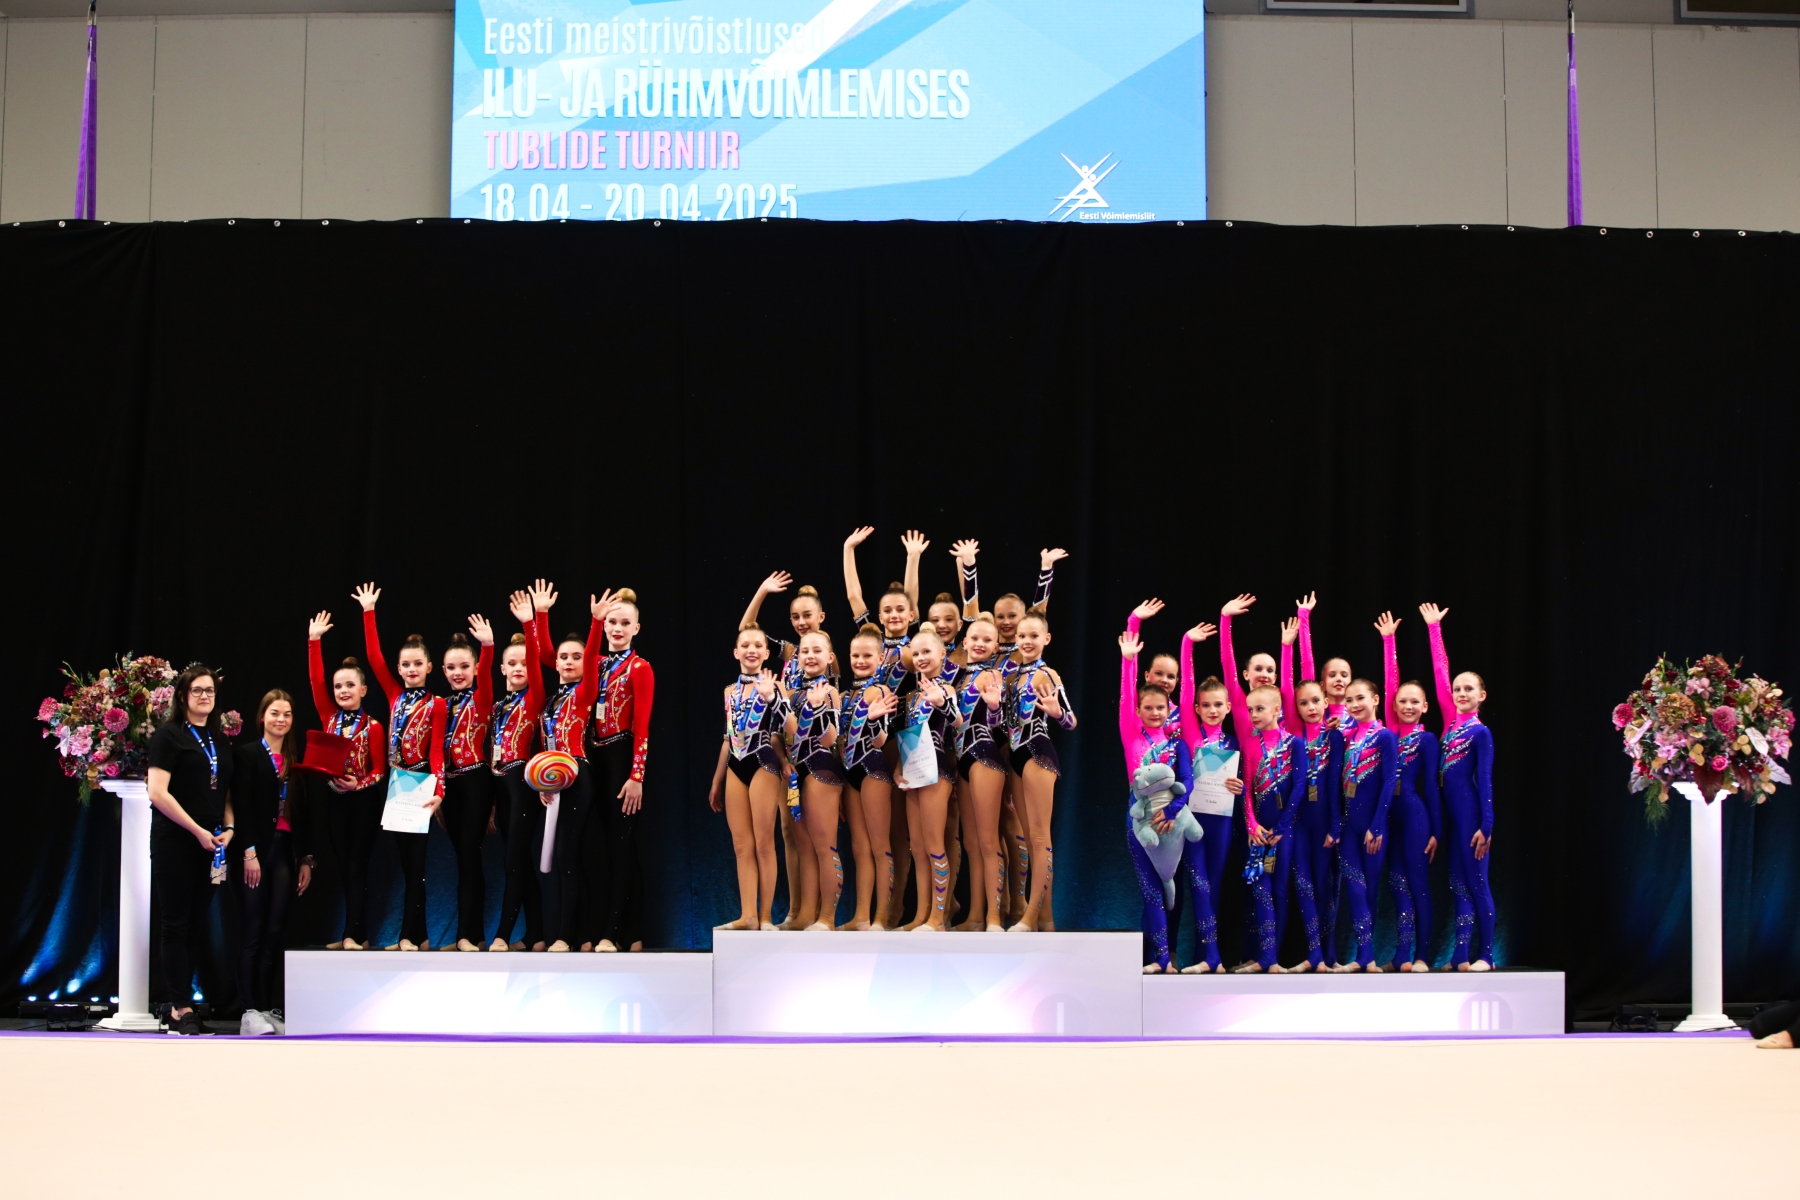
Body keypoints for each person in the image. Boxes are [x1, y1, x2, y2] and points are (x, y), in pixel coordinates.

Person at [954, 540, 1064, 925]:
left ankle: (1027, 906)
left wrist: (1045, 570)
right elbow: (971, 615)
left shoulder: (1021, 653)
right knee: (990, 832)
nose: (1004, 622)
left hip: (1018, 746)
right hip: (992, 743)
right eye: (999, 616)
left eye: (1011, 617)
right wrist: (969, 567)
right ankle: (997, 909)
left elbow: (1039, 612)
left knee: (1021, 830)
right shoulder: (987, 649)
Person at [355, 582, 447, 951]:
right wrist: (369, 612)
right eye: (405, 665)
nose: (411, 669)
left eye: (417, 664)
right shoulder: (394, 694)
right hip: (396, 783)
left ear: (429, 667)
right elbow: (373, 657)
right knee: (406, 866)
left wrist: (439, 791)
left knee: (417, 865)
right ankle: (418, 935)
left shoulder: (437, 704)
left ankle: (409, 934)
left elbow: (437, 751)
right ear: (399, 668)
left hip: (421, 783)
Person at [147, 664, 236, 1034]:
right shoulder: (168, 736)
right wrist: (197, 830)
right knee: (175, 923)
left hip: (211, 843)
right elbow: (157, 792)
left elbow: (225, 792)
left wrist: (229, 827)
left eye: (210, 690)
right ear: (183, 696)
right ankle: (180, 1007)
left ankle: (183, 1002)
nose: (204, 696)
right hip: (176, 840)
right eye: (197, 690)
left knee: (196, 925)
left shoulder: (219, 740)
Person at [739, 571, 828, 929]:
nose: (801, 622)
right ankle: (795, 909)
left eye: (807, 615)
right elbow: (747, 629)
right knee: (790, 829)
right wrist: (762, 590)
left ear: (821, 617)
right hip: (785, 760)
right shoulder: (791, 652)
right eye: (795, 617)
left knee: (815, 836)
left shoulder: (826, 657)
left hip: (816, 760)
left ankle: (819, 912)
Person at [528, 580, 612, 952]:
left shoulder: (584, 692)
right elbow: (538, 656)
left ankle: (568, 935)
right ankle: (579, 935)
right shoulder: (550, 700)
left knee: (566, 855)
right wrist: (543, 782)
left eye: (575, 657)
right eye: (562, 657)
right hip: (554, 781)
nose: (567, 662)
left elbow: (591, 658)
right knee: (568, 858)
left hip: (578, 775)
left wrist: (596, 623)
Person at [1422, 602, 1497, 971]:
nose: (1461, 693)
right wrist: (1433, 630)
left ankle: (1487, 955)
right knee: (1457, 883)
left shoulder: (1480, 732)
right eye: (1457, 689)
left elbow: (1484, 779)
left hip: (1470, 816)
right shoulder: (1451, 724)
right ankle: (1459, 955)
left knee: (1477, 881)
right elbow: (1440, 673)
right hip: (1450, 818)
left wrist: (1487, 825)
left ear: (1482, 695)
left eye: (1469, 689)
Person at [307, 611, 386, 950]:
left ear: (363, 690)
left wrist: (359, 785)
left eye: (350, 685)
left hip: (363, 803)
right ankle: (357, 934)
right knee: (343, 867)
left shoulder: (374, 726)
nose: (342, 690)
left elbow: (380, 771)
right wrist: (314, 641)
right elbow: (315, 682)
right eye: (338, 686)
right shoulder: (329, 717)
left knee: (357, 866)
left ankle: (352, 934)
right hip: (335, 802)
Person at [229, 689, 307, 1035]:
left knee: (275, 932)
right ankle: (248, 1010)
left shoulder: (294, 759)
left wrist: (306, 859)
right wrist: (249, 852)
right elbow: (241, 806)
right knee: (253, 931)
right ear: (262, 717)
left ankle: (265, 1007)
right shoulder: (247, 755)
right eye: (275, 713)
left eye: (287, 714)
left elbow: (303, 811)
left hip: (284, 850)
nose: (281, 720)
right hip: (254, 852)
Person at [1118, 630, 1197, 973]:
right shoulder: (1131, 734)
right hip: (1139, 821)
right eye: (1147, 708)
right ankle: (1159, 959)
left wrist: (1174, 810)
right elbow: (1126, 695)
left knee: (1170, 889)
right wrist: (1128, 660)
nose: (1154, 712)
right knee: (1150, 890)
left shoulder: (1177, 744)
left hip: (1172, 823)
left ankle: (1165, 955)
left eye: (1160, 708)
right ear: (1138, 710)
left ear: (1170, 709)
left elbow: (1187, 782)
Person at [584, 589, 655, 952]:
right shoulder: (595, 663)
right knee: (605, 849)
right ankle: (628, 931)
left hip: (622, 758)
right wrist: (593, 621)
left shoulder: (639, 668)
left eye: (625, 623)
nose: (617, 628)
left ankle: (615, 933)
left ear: (636, 628)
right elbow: (551, 657)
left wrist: (636, 775)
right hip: (594, 757)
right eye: (612, 622)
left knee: (622, 847)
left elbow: (642, 726)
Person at [1219, 594, 1288, 965]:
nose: (1265, 673)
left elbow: (1292, 674)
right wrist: (1225, 621)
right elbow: (1227, 664)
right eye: (1258, 668)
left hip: (1282, 816)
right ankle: (1251, 956)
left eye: (1270, 669)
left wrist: (1290, 644)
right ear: (1246, 676)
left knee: (1280, 887)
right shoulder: (1243, 707)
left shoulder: (1282, 710)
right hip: (1247, 811)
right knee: (1249, 884)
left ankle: (1271, 957)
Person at [708, 627, 787, 930]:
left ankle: (766, 916)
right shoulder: (729, 691)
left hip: (763, 761)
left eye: (757, 645)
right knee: (741, 845)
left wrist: (772, 697)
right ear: (736, 652)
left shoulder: (775, 686)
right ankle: (748, 915)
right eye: (745, 645)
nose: (751, 650)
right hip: (735, 765)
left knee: (764, 843)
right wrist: (716, 781)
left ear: (766, 653)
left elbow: (788, 728)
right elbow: (727, 738)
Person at [1228, 682, 1308, 973]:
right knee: (1260, 890)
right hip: (1260, 832)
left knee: (1280, 890)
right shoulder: (1250, 744)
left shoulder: (1294, 744)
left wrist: (1283, 826)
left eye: (1259, 709)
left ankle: (1272, 958)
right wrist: (1252, 825)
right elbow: (1247, 790)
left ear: (1277, 710)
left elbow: (1299, 786)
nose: (1253, 715)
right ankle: (1266, 958)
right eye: (1250, 710)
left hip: (1284, 831)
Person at [1004, 610, 1076, 933]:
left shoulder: (1047, 674)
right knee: (1029, 839)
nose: (1027, 641)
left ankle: (1031, 916)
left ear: (1046, 639)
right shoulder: (1011, 677)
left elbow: (1071, 721)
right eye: (1022, 636)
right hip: (1016, 756)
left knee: (1039, 836)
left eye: (1034, 636)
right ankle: (1046, 921)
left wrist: (1058, 713)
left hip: (1037, 751)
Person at [1379, 611, 1442, 972]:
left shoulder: (1427, 739)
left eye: (1415, 702)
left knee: (1417, 885)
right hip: (1391, 819)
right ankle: (1402, 954)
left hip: (1416, 818)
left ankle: (1423, 955)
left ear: (1425, 707)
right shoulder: (1388, 734)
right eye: (1402, 701)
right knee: (1397, 885)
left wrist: (1436, 831)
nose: (1407, 706)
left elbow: (1431, 786)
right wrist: (1388, 641)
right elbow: (1390, 684)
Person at [1176, 622, 1239, 973]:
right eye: (1206, 705)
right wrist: (1188, 644)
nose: (1212, 710)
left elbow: (1246, 781)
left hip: (1223, 823)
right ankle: (1211, 957)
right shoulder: (1190, 732)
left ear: (1228, 707)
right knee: (1198, 885)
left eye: (1218, 705)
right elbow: (1186, 687)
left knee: (1212, 887)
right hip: (1194, 820)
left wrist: (1239, 786)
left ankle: (1208, 958)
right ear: (1197, 709)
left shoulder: (1234, 742)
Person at [1278, 630, 1341, 973]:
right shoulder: (1293, 735)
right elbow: (1288, 685)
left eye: (1316, 700)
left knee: (1324, 887)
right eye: (1303, 703)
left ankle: (1328, 956)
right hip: (1298, 822)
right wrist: (1287, 646)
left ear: (1326, 701)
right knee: (1302, 886)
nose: (1311, 707)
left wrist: (1335, 826)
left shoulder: (1335, 736)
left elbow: (1334, 785)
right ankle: (1313, 955)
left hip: (1325, 823)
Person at [489, 591, 548, 952]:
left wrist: (529, 623)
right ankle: (537, 934)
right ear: (502, 669)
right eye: (511, 663)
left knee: (513, 862)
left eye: (524, 663)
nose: (518, 668)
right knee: (519, 861)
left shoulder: (534, 697)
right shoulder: (497, 706)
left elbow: (535, 670)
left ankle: (502, 933)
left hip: (523, 784)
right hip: (501, 787)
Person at [894, 629, 961, 932]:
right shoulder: (911, 696)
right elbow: (910, 736)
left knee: (934, 844)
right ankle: (920, 916)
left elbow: (957, 720)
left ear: (942, 654)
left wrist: (942, 702)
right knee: (918, 848)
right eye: (916, 653)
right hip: (914, 770)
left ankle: (938, 917)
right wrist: (899, 768)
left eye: (927, 652)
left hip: (937, 769)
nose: (921, 658)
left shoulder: (946, 688)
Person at [837, 625, 900, 929]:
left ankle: (882, 918)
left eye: (867, 656)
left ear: (881, 657)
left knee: (879, 847)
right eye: (855, 656)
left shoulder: (882, 691)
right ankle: (861, 916)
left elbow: (881, 740)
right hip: (849, 773)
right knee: (859, 848)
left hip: (873, 769)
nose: (860, 661)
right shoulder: (844, 695)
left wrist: (872, 719)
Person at [1332, 679, 1397, 972]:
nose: (1354, 704)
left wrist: (1378, 825)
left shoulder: (1384, 737)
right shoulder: (1346, 737)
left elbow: (1389, 781)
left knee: (1369, 890)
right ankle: (1365, 957)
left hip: (1373, 827)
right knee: (1355, 890)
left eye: (1360, 698)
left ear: (1375, 700)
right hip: (1349, 827)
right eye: (1349, 700)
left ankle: (1365, 957)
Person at [440, 619, 496, 952]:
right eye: (451, 668)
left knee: (469, 855)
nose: (457, 673)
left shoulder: (482, 697)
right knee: (465, 858)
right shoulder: (441, 705)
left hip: (476, 780)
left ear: (475, 668)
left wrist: (487, 646)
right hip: (450, 787)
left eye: (464, 666)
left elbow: (486, 675)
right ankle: (474, 935)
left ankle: (465, 935)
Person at [951, 617, 1008, 932]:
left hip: (985, 755)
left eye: (987, 640)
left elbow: (1000, 725)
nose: (980, 644)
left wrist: (995, 707)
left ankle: (994, 917)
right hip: (962, 758)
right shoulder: (958, 677)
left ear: (996, 647)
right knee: (972, 843)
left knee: (987, 841)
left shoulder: (993, 675)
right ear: (965, 642)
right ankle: (974, 916)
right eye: (974, 638)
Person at [786, 631, 845, 929]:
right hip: (796, 773)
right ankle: (807, 913)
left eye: (817, 650)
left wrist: (819, 706)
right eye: (805, 651)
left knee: (824, 846)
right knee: (804, 847)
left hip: (822, 769)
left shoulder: (831, 692)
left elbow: (831, 739)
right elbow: (786, 734)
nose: (810, 656)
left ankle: (828, 917)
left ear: (829, 657)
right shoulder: (790, 694)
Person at [1295, 592, 1356, 734]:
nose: (1339, 679)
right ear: (1322, 684)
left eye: (1344, 675)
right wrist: (1303, 616)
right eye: (1332, 675)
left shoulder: (1358, 712)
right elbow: (1306, 662)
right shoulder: (1314, 709)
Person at [1126, 599, 1184, 740]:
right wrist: (1134, 621)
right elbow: (1129, 670)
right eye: (1158, 673)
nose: (1164, 680)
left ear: (1177, 681)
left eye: (1171, 676)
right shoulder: (1134, 704)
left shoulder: (1181, 714)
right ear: (1147, 675)